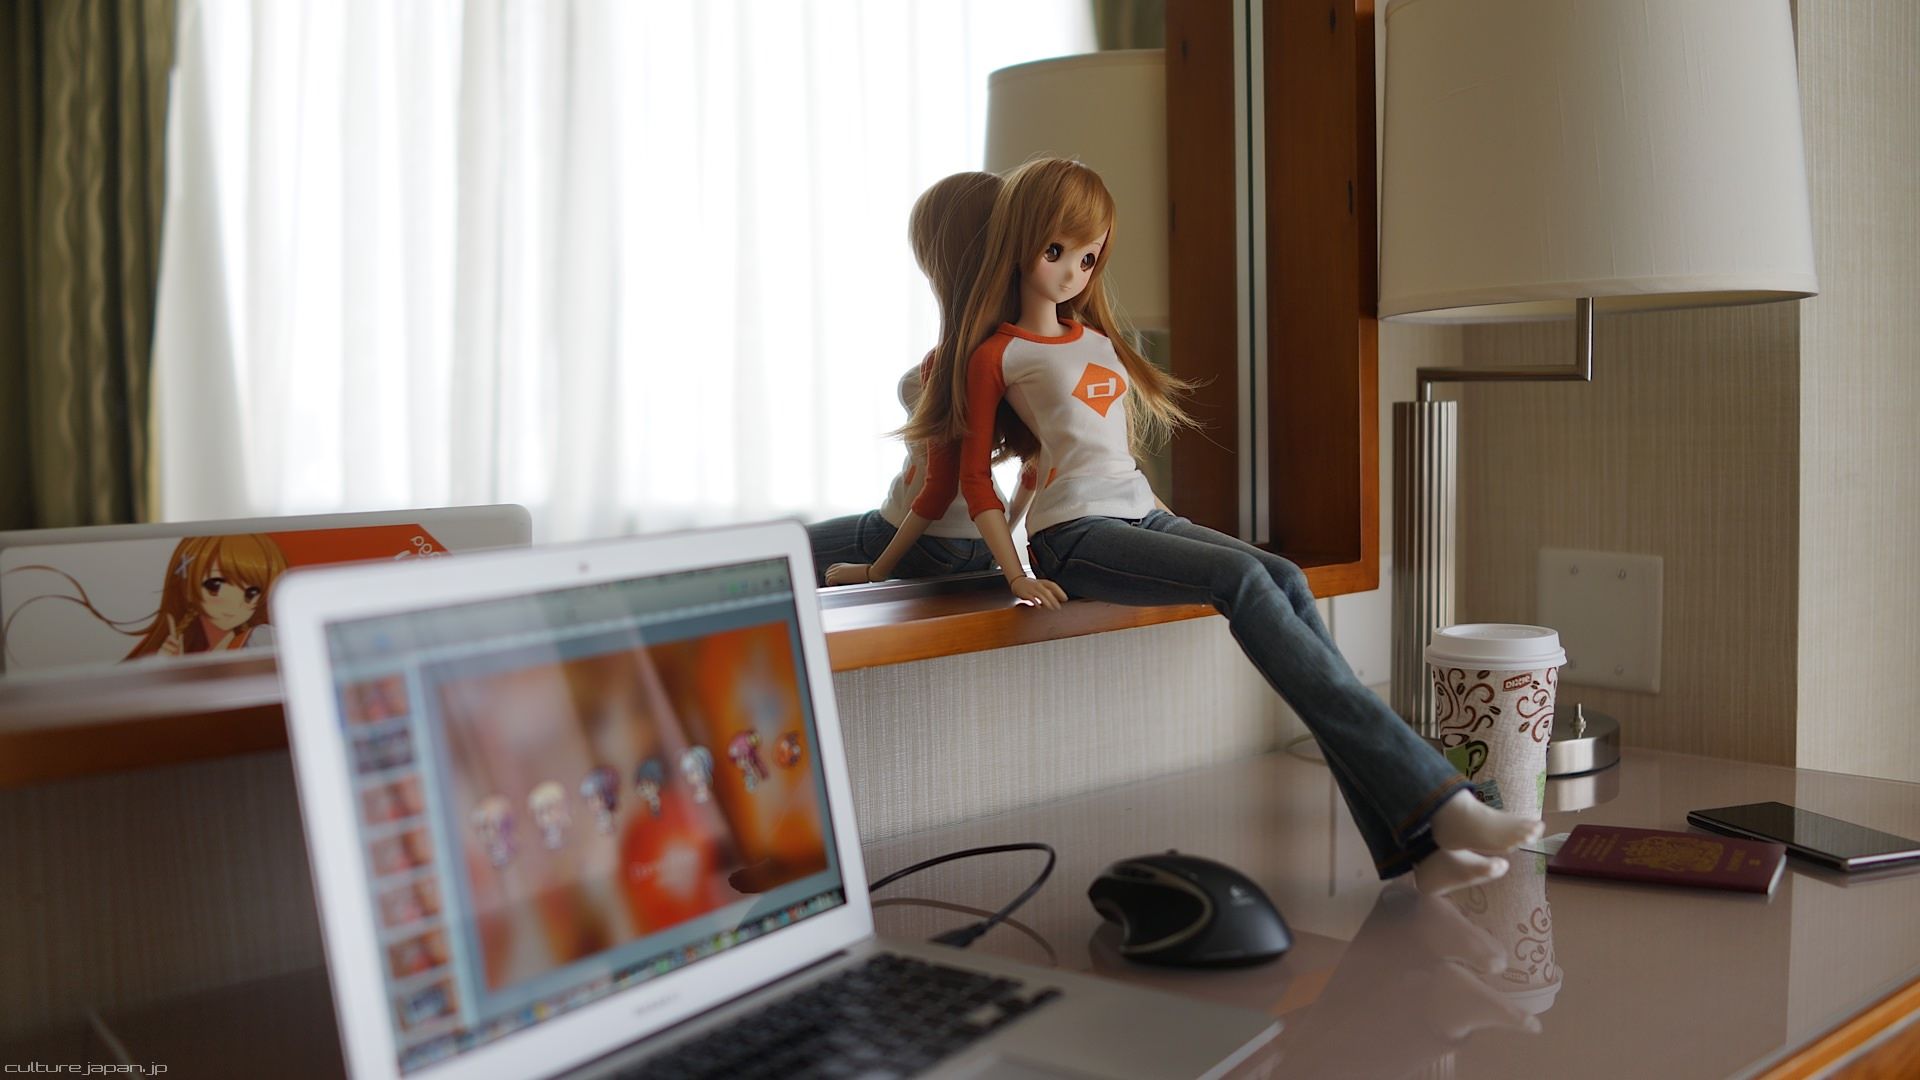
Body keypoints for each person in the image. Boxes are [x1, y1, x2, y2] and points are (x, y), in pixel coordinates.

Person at [904, 158, 1541, 894]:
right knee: (1242, 579)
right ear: (1017, 243)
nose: (1074, 272)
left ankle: (1422, 852)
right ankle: (1441, 803)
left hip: (1140, 510)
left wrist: (1160, 519)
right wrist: (1016, 571)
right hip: (1072, 536)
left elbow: (1103, 448)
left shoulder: (1094, 338)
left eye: (1088, 257)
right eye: (1056, 252)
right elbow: (975, 479)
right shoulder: (997, 353)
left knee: (1283, 575)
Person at [805, 171, 1037, 588]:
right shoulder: (1024, 355)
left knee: (780, 552)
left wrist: (875, 570)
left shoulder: (947, 366)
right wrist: (998, 538)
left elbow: (939, 488)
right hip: (980, 543)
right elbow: (1034, 468)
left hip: (921, 536)